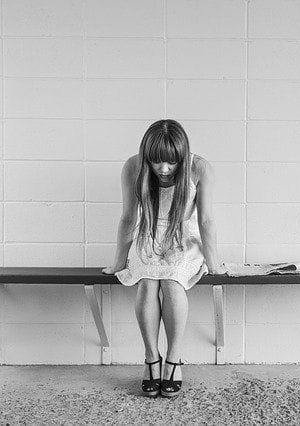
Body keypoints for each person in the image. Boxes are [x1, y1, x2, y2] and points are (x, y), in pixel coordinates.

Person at [102, 119, 227, 398]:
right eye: (157, 162)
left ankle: (174, 359)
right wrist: (118, 263)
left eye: (171, 162)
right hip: (148, 236)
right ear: (147, 156)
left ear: (182, 156)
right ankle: (151, 359)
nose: (164, 169)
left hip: (184, 238)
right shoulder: (133, 167)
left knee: (172, 282)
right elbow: (127, 218)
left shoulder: (199, 168)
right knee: (148, 282)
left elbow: (206, 221)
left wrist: (214, 263)